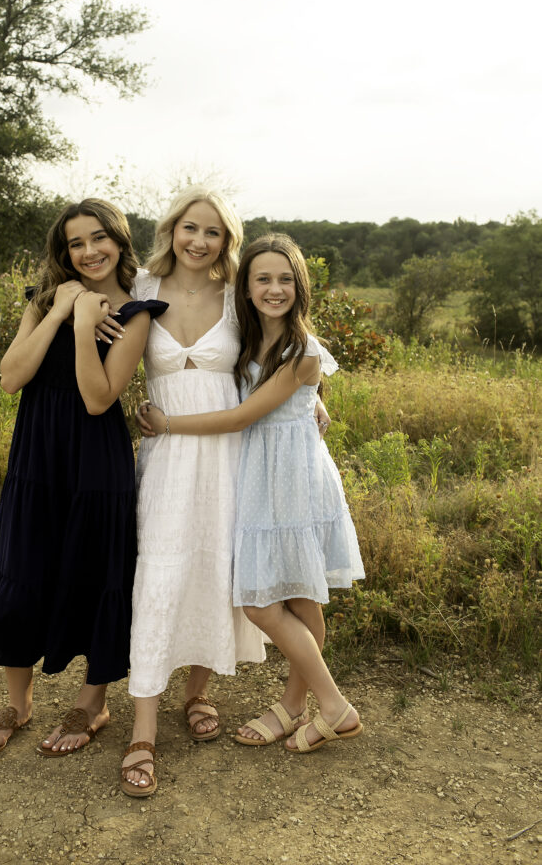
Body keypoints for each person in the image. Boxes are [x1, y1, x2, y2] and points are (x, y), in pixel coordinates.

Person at [140, 233, 364, 758]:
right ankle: (292, 707)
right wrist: (315, 406)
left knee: (261, 601)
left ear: (300, 286)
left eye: (285, 279)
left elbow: (243, 414)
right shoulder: (249, 336)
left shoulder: (301, 348)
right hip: (261, 473)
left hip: (291, 481)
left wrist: (168, 423)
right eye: (263, 278)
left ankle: (333, 707)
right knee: (298, 595)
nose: (274, 288)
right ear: (247, 285)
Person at [0, 198, 166, 758]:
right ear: (64, 251)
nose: (89, 251)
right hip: (36, 456)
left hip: (95, 461)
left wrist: (84, 326)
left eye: (99, 238)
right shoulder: (44, 299)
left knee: (94, 572)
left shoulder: (136, 312)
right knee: (22, 565)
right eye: (76, 243)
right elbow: (11, 378)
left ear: (119, 241)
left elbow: (99, 397)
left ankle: (92, 703)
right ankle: (19, 702)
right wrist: (58, 311)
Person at [118, 187, 267, 797]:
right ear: (172, 230)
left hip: (227, 453)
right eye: (190, 229)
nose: (200, 242)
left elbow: (279, 356)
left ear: (226, 242)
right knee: (158, 574)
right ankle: (142, 730)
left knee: (215, 567)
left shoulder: (239, 297)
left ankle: (199, 692)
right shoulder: (141, 288)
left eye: (213, 233)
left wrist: (317, 406)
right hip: (165, 451)